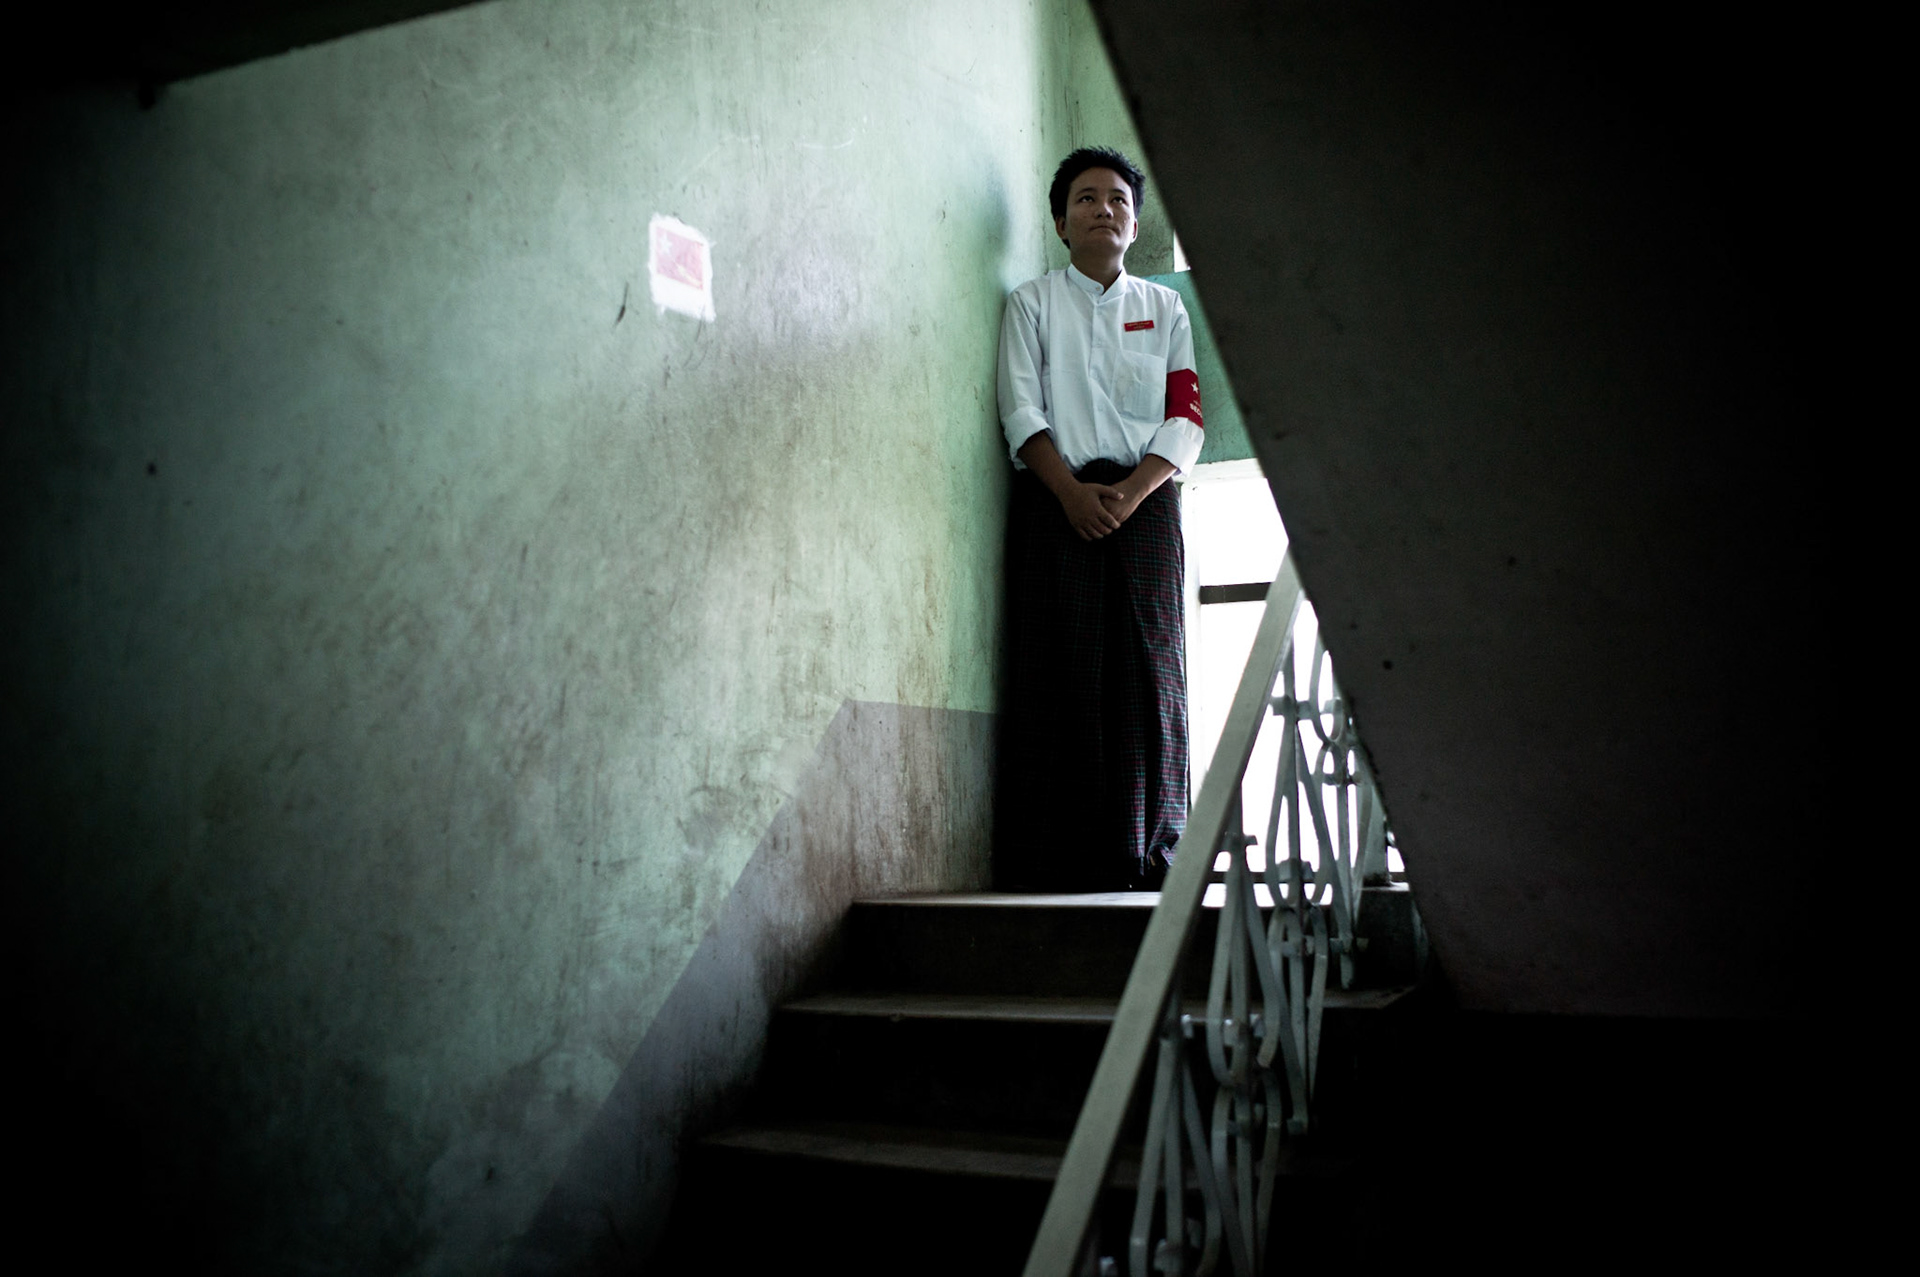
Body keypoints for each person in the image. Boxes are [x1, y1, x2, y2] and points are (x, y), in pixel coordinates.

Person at [995, 146, 1204, 891]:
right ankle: (1059, 856)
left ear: (1135, 220)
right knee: (1063, 664)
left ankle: (1149, 850)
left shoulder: (1165, 307)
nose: (1103, 209)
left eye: (1118, 199)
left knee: (1151, 671)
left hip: (1146, 506)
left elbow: (1185, 416)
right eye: (1086, 198)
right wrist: (1072, 494)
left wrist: (1138, 491)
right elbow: (1020, 410)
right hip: (1058, 501)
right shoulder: (1031, 304)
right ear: (1060, 222)